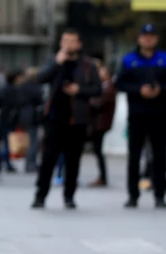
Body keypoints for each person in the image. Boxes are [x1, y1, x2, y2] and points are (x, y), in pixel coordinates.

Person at [33, 29, 102, 209]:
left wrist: (79, 90)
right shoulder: (53, 61)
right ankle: (40, 196)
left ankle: (69, 196)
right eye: (65, 41)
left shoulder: (88, 65)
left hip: (77, 120)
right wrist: (57, 63)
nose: (68, 44)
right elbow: (40, 78)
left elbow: (97, 89)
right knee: (48, 160)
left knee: (73, 161)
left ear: (79, 44)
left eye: (72, 41)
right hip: (54, 118)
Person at [115, 23, 166, 209]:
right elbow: (120, 83)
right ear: (139, 39)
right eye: (144, 36)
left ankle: (160, 195)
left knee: (159, 156)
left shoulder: (165, 60)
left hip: (159, 114)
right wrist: (138, 90)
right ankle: (133, 195)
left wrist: (160, 90)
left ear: (156, 39)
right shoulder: (129, 60)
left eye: (151, 36)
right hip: (137, 113)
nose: (148, 39)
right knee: (134, 156)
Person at [87, 65, 116, 187]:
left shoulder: (108, 87)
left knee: (98, 150)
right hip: (98, 123)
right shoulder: (105, 86)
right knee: (97, 150)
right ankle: (102, 176)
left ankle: (102, 177)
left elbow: (99, 103)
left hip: (100, 123)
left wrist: (88, 99)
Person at [17, 67, 44, 173]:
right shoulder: (36, 87)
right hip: (33, 115)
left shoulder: (22, 87)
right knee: (33, 141)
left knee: (29, 140)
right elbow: (40, 100)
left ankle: (29, 162)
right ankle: (30, 163)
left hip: (23, 115)